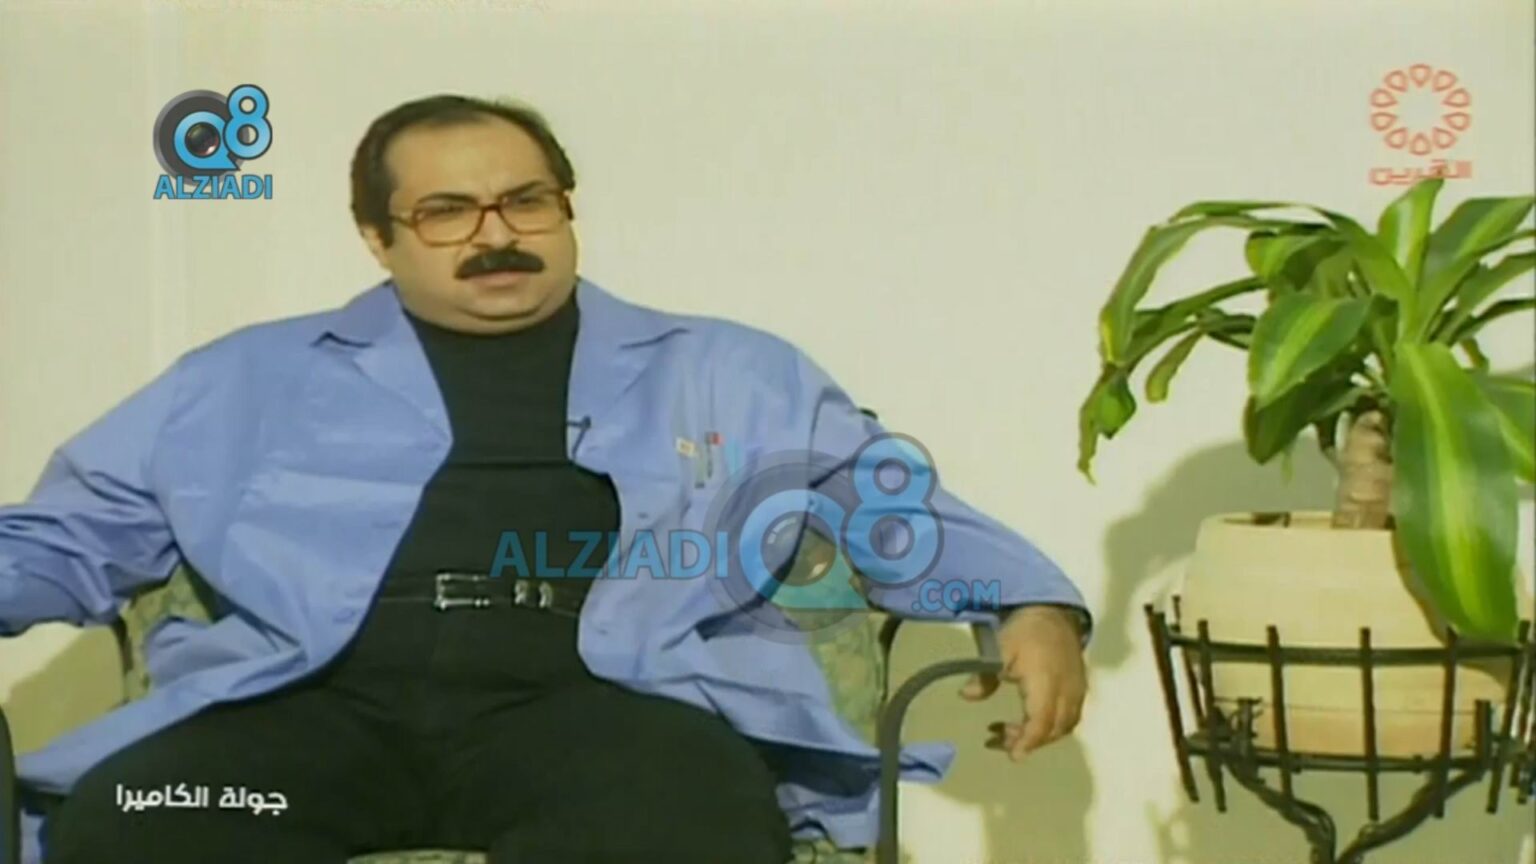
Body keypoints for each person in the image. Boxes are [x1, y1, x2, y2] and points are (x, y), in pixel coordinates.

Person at [0, 94, 1093, 864]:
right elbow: (72, 535)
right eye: (446, 213)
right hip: (301, 716)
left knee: (691, 831)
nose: (496, 236)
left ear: (566, 210)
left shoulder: (728, 370)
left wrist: (1025, 604)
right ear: (378, 237)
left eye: (526, 201)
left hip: (600, 715)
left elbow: (884, 508)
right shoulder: (241, 378)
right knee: (141, 823)